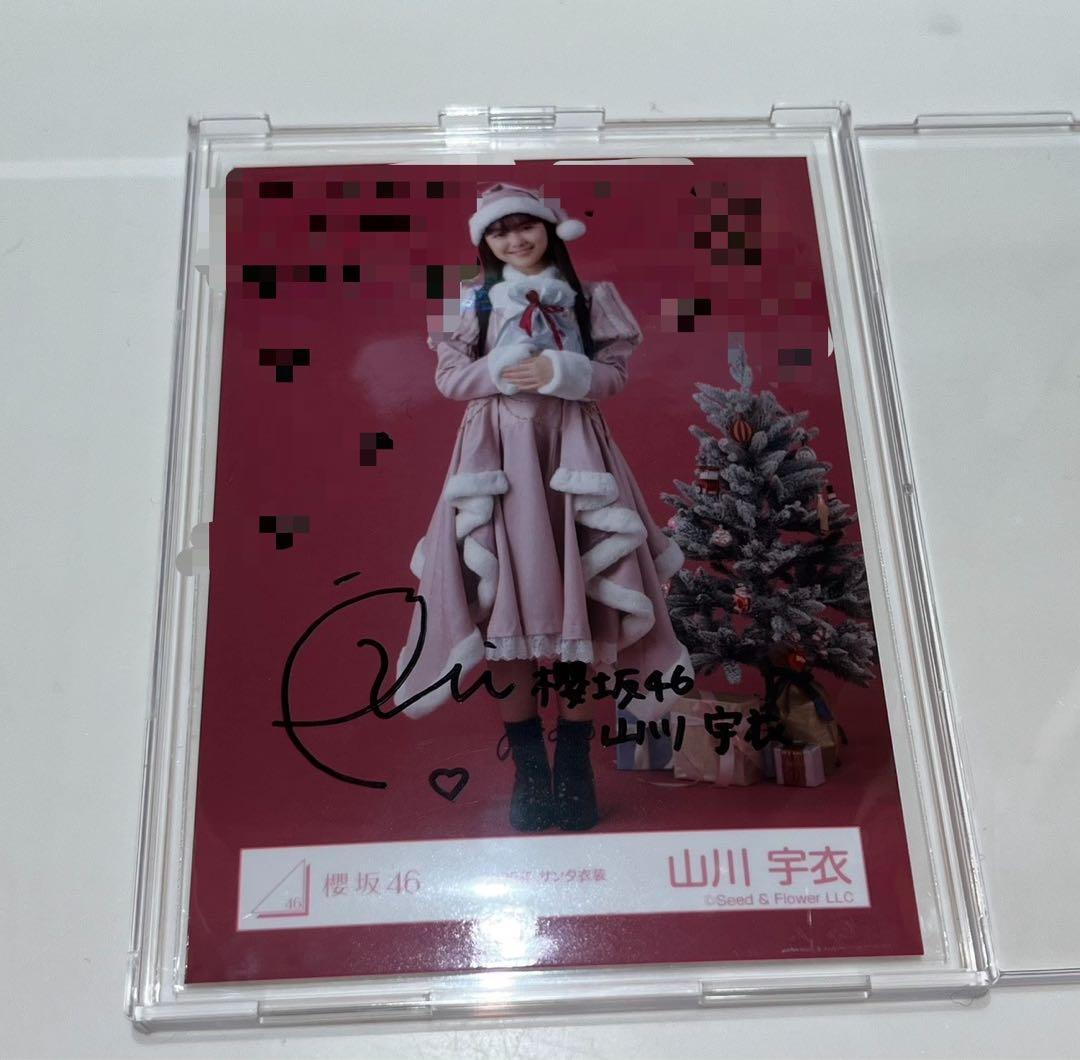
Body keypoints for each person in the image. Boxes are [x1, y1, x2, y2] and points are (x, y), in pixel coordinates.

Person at [396, 182, 690, 832]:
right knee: (508, 610)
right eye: (500, 232)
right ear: (486, 242)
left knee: (582, 608)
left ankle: (575, 766)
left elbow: (615, 374)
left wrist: (564, 372)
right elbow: (449, 378)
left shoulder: (590, 297)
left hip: (573, 454)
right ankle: (530, 771)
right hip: (498, 460)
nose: (515, 241)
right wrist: (500, 368)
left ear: (549, 231)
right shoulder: (468, 300)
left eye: (525, 227)